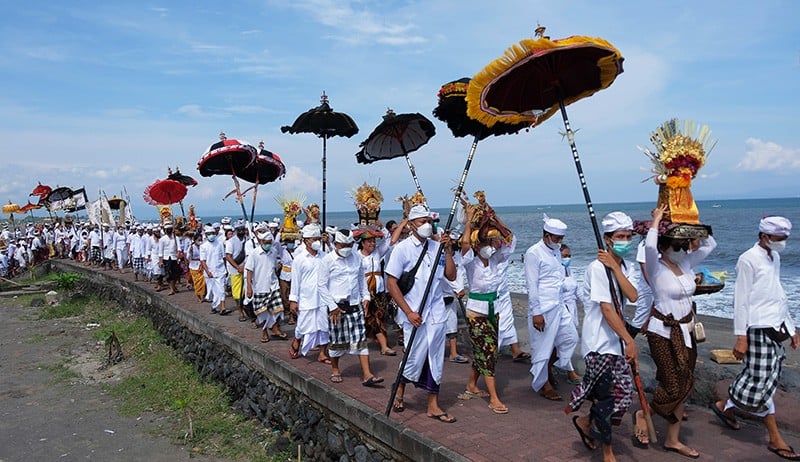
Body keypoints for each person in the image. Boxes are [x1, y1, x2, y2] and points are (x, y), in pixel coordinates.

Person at [711, 216, 800, 461]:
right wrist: (741, 337)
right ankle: (774, 438)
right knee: (760, 382)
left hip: (775, 325)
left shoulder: (775, 257)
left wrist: (791, 328)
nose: (783, 243)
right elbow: (740, 300)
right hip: (756, 328)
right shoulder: (748, 259)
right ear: (764, 236)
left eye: (785, 239)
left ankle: (724, 406)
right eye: (779, 238)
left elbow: (778, 293)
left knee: (765, 378)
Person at [640, 204, 716, 457]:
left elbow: (709, 246)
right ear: (664, 246)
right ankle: (645, 412)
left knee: (684, 384)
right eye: (677, 245)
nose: (683, 249)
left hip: (687, 331)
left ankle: (672, 439)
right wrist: (657, 220)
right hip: (662, 332)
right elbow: (649, 247)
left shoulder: (685, 264)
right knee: (673, 384)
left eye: (684, 245)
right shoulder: (655, 266)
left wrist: (694, 222)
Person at [566, 211, 638, 462]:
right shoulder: (597, 269)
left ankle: (586, 422)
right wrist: (629, 340)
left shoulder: (624, 266)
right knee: (607, 398)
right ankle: (608, 452)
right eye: (620, 236)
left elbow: (633, 295)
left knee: (625, 395)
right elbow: (607, 309)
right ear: (607, 239)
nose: (625, 241)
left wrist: (615, 268)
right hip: (599, 342)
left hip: (617, 341)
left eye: (629, 236)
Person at [385, 204, 457, 423]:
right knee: (414, 357)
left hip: (436, 313)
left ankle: (433, 404)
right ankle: (399, 388)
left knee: (435, 358)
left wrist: (447, 250)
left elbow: (451, 276)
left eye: (429, 221)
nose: (426, 225)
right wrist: (408, 312)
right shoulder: (402, 249)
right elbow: (391, 283)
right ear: (412, 225)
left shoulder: (436, 247)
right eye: (421, 221)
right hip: (414, 313)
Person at [457, 203, 511, 414]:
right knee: (487, 351)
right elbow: (463, 244)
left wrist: (494, 217)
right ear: (477, 245)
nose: (491, 245)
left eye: (492, 242)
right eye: (486, 242)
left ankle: (472, 384)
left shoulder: (497, 259)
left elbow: (509, 238)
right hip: (476, 313)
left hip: (493, 309)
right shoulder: (471, 261)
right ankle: (494, 398)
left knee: (487, 351)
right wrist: (469, 220)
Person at [525, 214, 578, 401]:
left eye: (561, 239)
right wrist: (536, 312)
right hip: (542, 308)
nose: (559, 242)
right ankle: (543, 384)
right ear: (546, 235)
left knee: (570, 337)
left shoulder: (556, 251)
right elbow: (532, 284)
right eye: (556, 238)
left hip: (559, 304)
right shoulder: (534, 252)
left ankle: (548, 370)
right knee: (542, 348)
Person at [319, 229, 383, 386]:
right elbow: (321, 285)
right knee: (337, 340)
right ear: (335, 244)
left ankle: (367, 374)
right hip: (337, 307)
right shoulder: (328, 260)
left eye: (349, 244)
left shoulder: (356, 258)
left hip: (355, 304)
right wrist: (332, 306)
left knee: (360, 340)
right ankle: (335, 369)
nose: (346, 247)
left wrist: (366, 297)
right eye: (343, 245)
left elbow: (361, 279)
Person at [288, 224, 331, 363]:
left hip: (322, 298)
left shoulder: (325, 256)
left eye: (318, 238)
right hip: (306, 298)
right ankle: (297, 339)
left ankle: (322, 353)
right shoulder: (299, 259)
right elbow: (295, 281)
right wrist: (293, 300)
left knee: (324, 327)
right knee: (303, 325)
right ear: (306, 240)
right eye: (314, 239)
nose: (317, 241)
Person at [246, 224, 287, 343]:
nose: (268, 244)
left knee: (278, 309)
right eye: (266, 242)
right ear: (261, 241)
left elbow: (274, 266)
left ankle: (275, 328)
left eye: (270, 241)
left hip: (273, 285)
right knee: (262, 312)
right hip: (259, 286)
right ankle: (264, 332)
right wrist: (249, 286)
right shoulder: (254, 253)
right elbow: (249, 270)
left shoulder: (273, 251)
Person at [558, 244, 582, 385]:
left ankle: (562, 366)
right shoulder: (556, 272)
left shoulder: (569, 270)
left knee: (564, 340)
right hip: (562, 309)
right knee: (569, 338)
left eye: (569, 255)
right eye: (565, 256)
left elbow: (577, 290)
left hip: (572, 309)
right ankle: (569, 370)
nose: (568, 258)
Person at [200, 225, 229, 315]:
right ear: (206, 235)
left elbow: (224, 257)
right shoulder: (203, 246)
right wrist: (208, 271)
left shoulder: (220, 244)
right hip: (209, 273)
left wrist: (226, 268)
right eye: (209, 234)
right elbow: (203, 261)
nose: (211, 235)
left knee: (221, 289)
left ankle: (223, 307)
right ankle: (214, 306)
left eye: (212, 233)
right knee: (212, 291)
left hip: (220, 270)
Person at [225, 220, 247, 320]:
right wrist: (238, 267)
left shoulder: (248, 240)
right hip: (235, 270)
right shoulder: (231, 242)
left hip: (247, 269)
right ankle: (240, 312)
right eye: (239, 229)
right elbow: (228, 257)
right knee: (238, 293)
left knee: (246, 291)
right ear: (236, 230)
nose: (241, 231)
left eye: (243, 229)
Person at [158, 221, 182, 295]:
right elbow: (160, 251)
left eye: (170, 229)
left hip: (174, 258)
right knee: (168, 274)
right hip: (166, 258)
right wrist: (160, 261)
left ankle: (173, 286)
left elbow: (179, 248)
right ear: (165, 230)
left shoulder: (176, 238)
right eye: (167, 229)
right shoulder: (162, 239)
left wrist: (178, 253)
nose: (169, 230)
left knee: (176, 274)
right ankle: (171, 289)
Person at [186, 231, 206, 302]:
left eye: (201, 240)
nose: (200, 241)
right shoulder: (191, 247)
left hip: (202, 265)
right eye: (198, 240)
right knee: (197, 282)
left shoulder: (203, 246)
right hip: (194, 266)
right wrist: (190, 252)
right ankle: (198, 297)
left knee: (203, 282)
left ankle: (203, 296)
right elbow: (188, 257)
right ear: (195, 240)